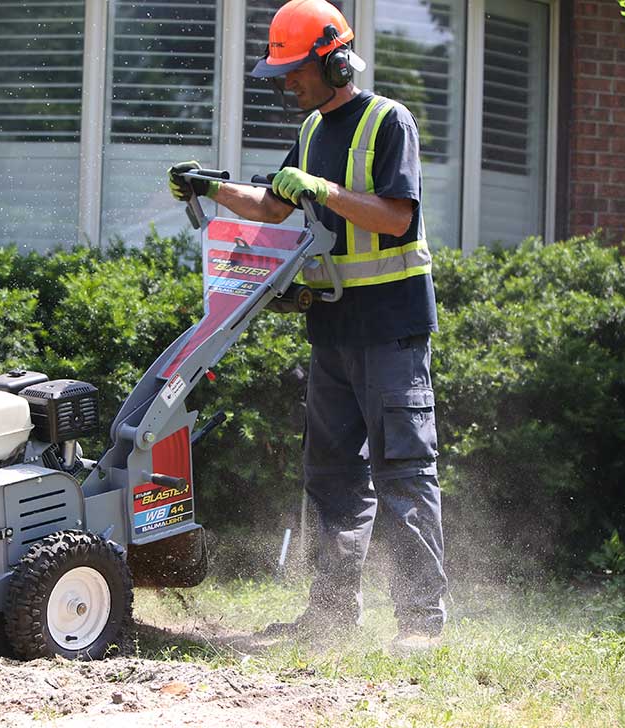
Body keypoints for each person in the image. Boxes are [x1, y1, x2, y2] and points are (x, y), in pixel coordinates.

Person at [167, 0, 447, 653]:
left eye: (295, 71)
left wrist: (318, 190)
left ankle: (421, 623)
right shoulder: (316, 131)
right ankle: (330, 615)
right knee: (331, 476)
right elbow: (273, 204)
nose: (286, 83)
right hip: (333, 326)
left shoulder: (387, 122)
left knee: (403, 469)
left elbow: (395, 217)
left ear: (335, 60)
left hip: (391, 328)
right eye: (281, 72)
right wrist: (211, 186)